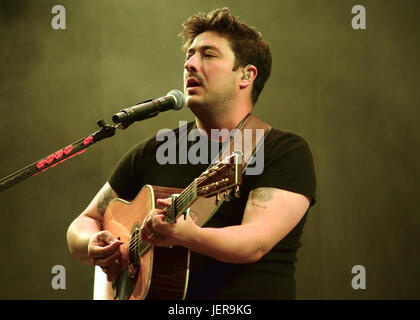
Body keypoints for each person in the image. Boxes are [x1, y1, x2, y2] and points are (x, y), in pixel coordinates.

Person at [67, 7, 316, 299]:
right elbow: (84, 222)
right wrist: (92, 243)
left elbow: (254, 242)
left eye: (208, 55)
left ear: (246, 75)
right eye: (189, 55)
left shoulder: (281, 151)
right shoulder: (155, 150)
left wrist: (188, 236)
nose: (190, 65)